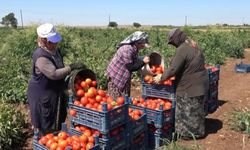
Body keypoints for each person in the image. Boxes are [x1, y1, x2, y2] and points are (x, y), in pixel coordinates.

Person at [27, 23, 85, 135]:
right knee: (46, 121)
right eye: (53, 41)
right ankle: (44, 141)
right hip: (43, 94)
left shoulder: (55, 50)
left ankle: (55, 136)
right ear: (44, 41)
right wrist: (71, 67)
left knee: (57, 117)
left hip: (54, 91)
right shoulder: (40, 56)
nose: (57, 42)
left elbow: (59, 67)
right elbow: (53, 74)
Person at [153, 28, 209, 139]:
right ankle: (198, 131)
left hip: (190, 86)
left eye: (172, 42)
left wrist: (161, 77)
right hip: (201, 82)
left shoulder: (182, 49)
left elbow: (173, 69)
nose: (173, 44)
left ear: (177, 38)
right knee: (196, 110)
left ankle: (186, 135)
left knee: (186, 110)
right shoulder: (193, 44)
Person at [106, 31, 150, 99]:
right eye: (143, 43)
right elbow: (131, 66)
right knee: (115, 99)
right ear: (137, 42)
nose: (143, 46)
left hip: (124, 75)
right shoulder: (127, 49)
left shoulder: (133, 48)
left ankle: (124, 106)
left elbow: (134, 59)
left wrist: (143, 59)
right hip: (116, 76)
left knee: (124, 98)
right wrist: (143, 62)